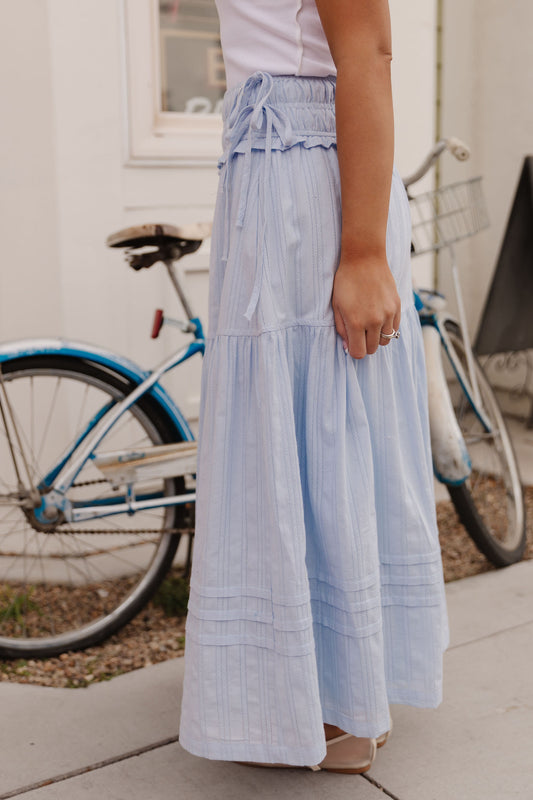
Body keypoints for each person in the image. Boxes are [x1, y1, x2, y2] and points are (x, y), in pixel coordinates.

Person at [179, 0, 449, 773]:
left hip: (311, 181)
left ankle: (342, 707)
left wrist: (362, 251)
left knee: (321, 419)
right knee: (315, 421)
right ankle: (340, 688)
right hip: (283, 163)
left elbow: (366, 51)